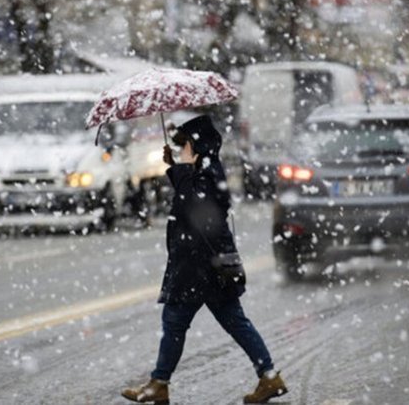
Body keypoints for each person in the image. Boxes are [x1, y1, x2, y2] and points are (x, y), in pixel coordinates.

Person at [121, 115, 287, 404]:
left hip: (199, 267)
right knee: (234, 322)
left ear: (196, 146)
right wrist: (176, 165)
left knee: (175, 321)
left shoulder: (207, 174)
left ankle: (159, 383)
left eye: (184, 145)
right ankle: (269, 376)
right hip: (208, 265)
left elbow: (192, 205)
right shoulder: (206, 171)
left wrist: (181, 168)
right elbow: (192, 198)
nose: (181, 149)